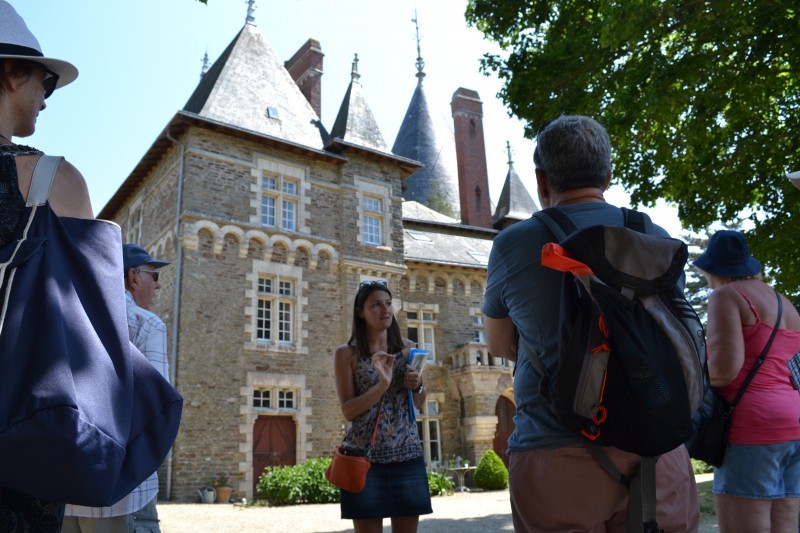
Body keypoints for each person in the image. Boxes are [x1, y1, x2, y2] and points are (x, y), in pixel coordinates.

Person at [483, 115, 700, 532]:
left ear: (541, 180)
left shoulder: (514, 243)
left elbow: (496, 343)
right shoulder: (650, 232)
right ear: (608, 174)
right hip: (659, 448)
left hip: (555, 452)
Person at [0, 1, 91, 529]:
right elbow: (92, 327)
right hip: (18, 439)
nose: (46, 100)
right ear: (11, 72)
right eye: (45, 83)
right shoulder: (53, 181)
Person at [693, 230, 800, 532]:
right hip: (793, 422)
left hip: (752, 427)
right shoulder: (784, 302)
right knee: (785, 525)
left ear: (712, 270)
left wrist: (690, 377)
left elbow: (724, 370)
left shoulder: (727, 296)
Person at [63, 244, 172, 532]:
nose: (158, 284)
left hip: (66, 489)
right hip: (125, 492)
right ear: (134, 277)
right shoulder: (147, 326)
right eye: (153, 274)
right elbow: (155, 411)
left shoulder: (67, 321)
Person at [333, 280, 432, 533]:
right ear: (360, 312)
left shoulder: (409, 350)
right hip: (364, 460)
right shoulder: (347, 354)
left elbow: (419, 403)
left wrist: (418, 385)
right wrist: (380, 387)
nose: (385, 310)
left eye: (388, 304)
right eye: (375, 305)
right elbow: (348, 411)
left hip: (407, 457)